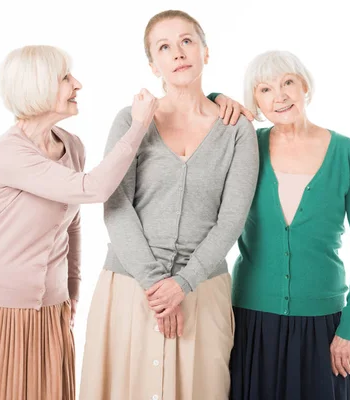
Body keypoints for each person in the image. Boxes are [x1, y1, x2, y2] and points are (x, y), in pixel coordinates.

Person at [0, 45, 159, 400]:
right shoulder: (9, 153)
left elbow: (72, 223)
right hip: (1, 309)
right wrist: (138, 126)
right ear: (37, 86)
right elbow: (93, 189)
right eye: (65, 78)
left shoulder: (71, 145)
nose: (77, 84)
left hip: (52, 307)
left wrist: (72, 288)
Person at [79, 10, 259, 400]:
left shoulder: (237, 130)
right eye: (164, 46)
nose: (178, 53)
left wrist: (183, 283)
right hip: (130, 289)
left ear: (205, 51)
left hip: (203, 292)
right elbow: (116, 204)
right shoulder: (130, 120)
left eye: (187, 41)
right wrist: (157, 285)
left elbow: (232, 218)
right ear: (152, 64)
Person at [213, 50, 350, 400]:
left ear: (304, 85)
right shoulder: (248, 146)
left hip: (323, 323)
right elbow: (200, 111)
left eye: (287, 82)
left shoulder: (346, 152)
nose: (280, 96)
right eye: (264, 89)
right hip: (253, 320)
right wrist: (218, 98)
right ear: (254, 101)